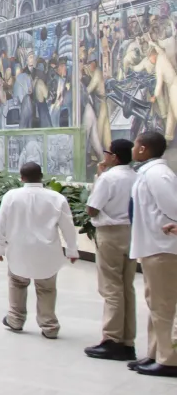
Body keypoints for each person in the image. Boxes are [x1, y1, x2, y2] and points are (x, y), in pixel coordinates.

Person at [0, 161, 79, 338]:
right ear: (41, 176)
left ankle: (15, 319)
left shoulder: (11, 196)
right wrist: (71, 250)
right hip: (47, 253)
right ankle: (49, 326)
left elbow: (1, 225)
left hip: (19, 251)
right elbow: (67, 227)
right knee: (46, 288)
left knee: (17, 283)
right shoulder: (56, 198)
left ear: (21, 178)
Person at [84, 138, 138, 361]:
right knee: (127, 287)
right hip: (132, 233)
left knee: (111, 287)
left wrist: (99, 177)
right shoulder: (136, 177)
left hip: (111, 234)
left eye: (107, 152)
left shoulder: (109, 178)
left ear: (114, 156)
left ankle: (111, 339)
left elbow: (92, 209)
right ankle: (127, 341)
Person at [128, 131, 177, 377]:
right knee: (156, 304)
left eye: (136, 144)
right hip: (153, 247)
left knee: (163, 306)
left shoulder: (158, 175)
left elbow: (173, 207)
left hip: (163, 247)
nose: (133, 148)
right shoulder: (149, 172)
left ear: (143, 148)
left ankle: (169, 359)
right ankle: (155, 353)